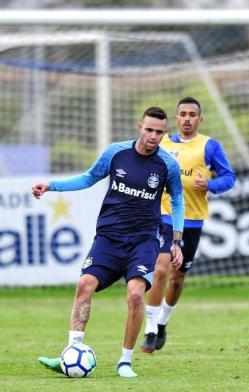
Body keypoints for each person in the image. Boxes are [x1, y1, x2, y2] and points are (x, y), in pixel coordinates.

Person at [32, 106, 184, 378]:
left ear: (164, 133)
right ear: (139, 127)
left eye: (159, 132)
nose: (153, 136)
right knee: (84, 284)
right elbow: (89, 178)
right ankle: (71, 352)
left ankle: (125, 361)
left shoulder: (167, 165)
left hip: (143, 240)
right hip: (109, 238)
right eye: (149, 129)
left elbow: (177, 199)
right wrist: (51, 185)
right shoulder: (116, 153)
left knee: (136, 294)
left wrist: (176, 240)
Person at [140, 97, 236, 354]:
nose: (186, 118)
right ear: (176, 117)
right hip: (161, 215)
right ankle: (149, 330)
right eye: (182, 114)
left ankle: (161, 323)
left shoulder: (209, 146)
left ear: (199, 119)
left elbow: (229, 178)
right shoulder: (163, 143)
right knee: (160, 270)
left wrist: (210, 185)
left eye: (192, 114)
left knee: (178, 277)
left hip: (191, 220)